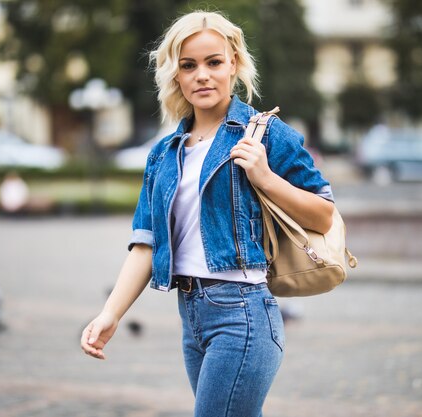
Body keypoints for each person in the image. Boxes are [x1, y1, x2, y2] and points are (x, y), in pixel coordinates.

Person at [80, 11, 335, 416]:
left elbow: (324, 215)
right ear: (176, 75)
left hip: (243, 317)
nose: (202, 75)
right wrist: (110, 314)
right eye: (188, 65)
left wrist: (265, 177)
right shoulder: (165, 153)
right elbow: (144, 244)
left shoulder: (266, 134)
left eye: (214, 62)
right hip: (192, 318)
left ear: (233, 63)